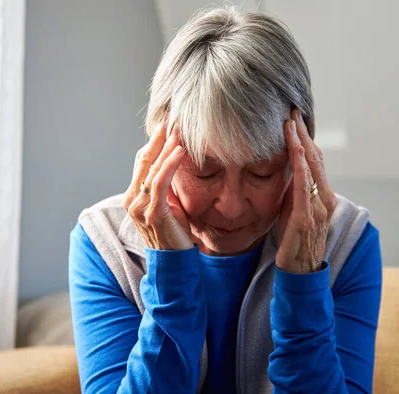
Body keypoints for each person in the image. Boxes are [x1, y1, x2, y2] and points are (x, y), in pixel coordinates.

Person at [69, 6, 382, 394]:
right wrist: (170, 280)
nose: (231, 206)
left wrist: (304, 282)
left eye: (261, 173)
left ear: (300, 156)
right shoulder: (104, 245)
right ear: (157, 150)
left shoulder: (347, 243)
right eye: (205, 170)